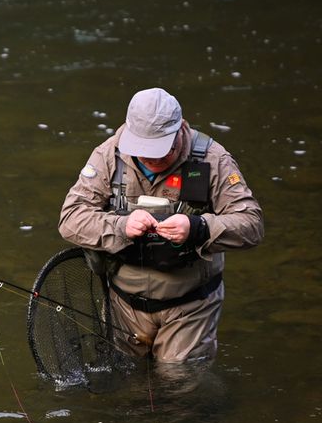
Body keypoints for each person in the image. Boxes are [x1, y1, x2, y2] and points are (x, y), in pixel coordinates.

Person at [59, 87, 264, 363]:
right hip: (124, 305)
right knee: (126, 389)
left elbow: (251, 224)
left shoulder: (212, 160)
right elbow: (70, 218)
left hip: (190, 306)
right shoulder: (109, 155)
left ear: (180, 131)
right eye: (143, 150)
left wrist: (198, 228)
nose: (152, 159)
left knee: (178, 388)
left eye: (160, 150)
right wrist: (120, 226)